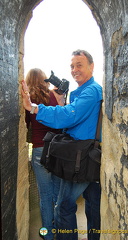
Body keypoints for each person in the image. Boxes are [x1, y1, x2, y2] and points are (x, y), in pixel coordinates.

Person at [21, 50, 103, 240]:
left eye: (79, 65)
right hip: (84, 155)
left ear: (92, 66)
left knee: (64, 207)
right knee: (92, 203)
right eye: (72, 66)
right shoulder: (80, 92)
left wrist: (33, 107)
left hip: (81, 157)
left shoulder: (91, 91)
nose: (74, 70)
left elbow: (68, 116)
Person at [24, 68, 64, 240]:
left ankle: (47, 233)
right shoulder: (54, 96)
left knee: (45, 195)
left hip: (40, 149)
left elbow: (26, 124)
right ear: (44, 79)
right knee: (57, 192)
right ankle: (59, 226)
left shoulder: (28, 100)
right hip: (57, 149)